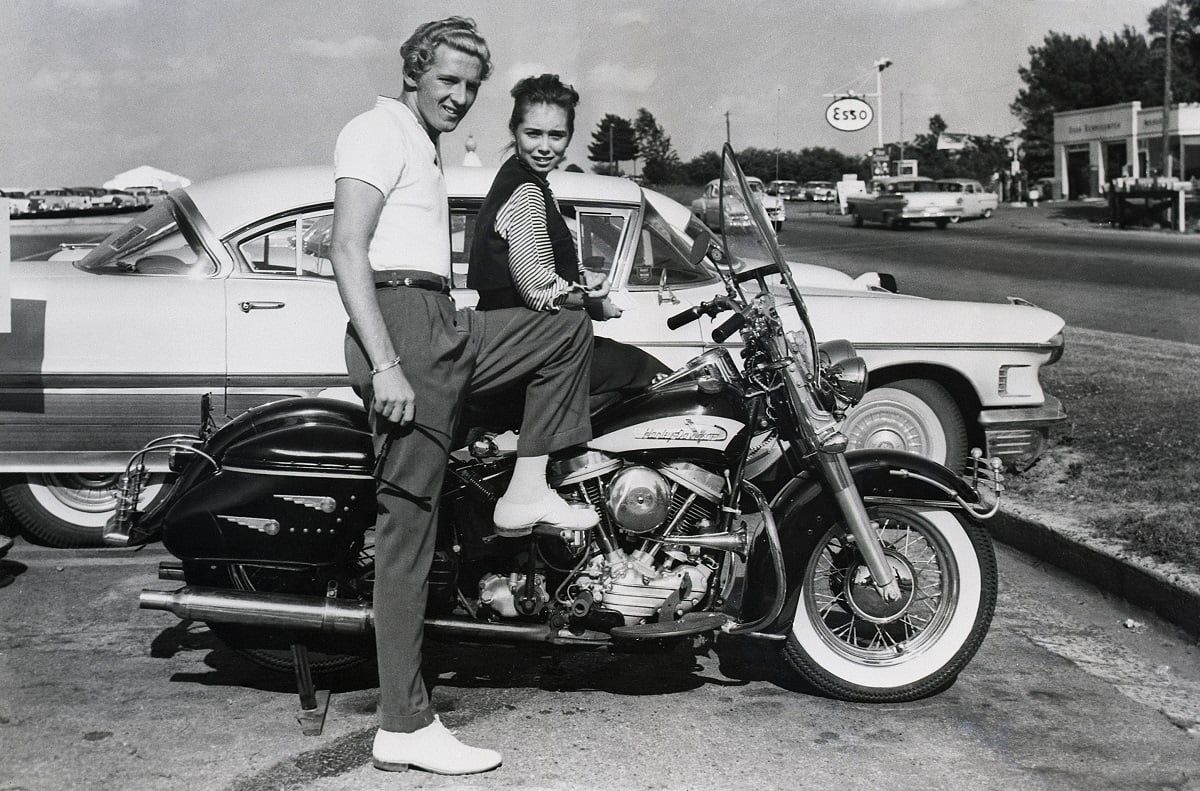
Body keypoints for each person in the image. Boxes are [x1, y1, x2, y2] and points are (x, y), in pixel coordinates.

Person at [329, 18, 597, 776]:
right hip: (403, 328)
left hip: (442, 321)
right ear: (414, 70)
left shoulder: (421, 139)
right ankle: (404, 724)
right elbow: (348, 248)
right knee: (409, 529)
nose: (460, 96)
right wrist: (386, 364)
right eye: (447, 80)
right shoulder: (376, 130)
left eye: (472, 86)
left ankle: (527, 486)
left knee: (565, 329)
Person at [468, 74, 668, 406]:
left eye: (556, 135)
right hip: (524, 347)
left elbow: (534, 265)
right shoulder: (527, 192)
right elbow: (536, 288)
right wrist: (590, 300)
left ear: (569, 137)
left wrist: (581, 280)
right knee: (645, 371)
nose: (545, 147)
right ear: (514, 130)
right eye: (533, 133)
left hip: (510, 341)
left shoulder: (522, 179)